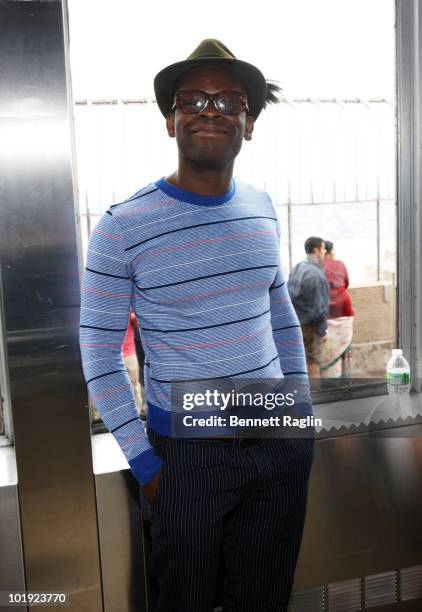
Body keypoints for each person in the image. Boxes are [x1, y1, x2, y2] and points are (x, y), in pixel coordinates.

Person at [80, 39, 314, 611]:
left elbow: (280, 313)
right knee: (182, 600)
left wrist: (300, 411)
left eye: (227, 101)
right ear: (171, 120)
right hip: (187, 452)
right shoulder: (123, 225)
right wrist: (145, 464)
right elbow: (99, 349)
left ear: (248, 123)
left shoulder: (261, 206)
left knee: (263, 597)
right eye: (194, 100)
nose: (210, 112)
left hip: (277, 436)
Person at [287, 236, 329, 378]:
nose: (325, 252)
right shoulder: (316, 275)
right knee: (313, 361)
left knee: (300, 361)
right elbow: (320, 308)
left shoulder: (297, 267)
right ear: (316, 250)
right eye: (323, 248)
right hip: (310, 328)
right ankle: (317, 395)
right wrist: (322, 331)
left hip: (296, 324)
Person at [320, 240, 354, 377]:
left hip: (326, 314)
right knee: (344, 348)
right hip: (344, 311)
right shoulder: (339, 264)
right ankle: (344, 382)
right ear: (330, 252)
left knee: (329, 348)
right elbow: (345, 284)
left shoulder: (315, 266)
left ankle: (330, 383)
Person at [122, 309, 146, 416]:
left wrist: (132, 316)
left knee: (134, 383)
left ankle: (136, 411)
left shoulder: (129, 307)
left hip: (128, 352)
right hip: (114, 353)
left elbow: (138, 322)